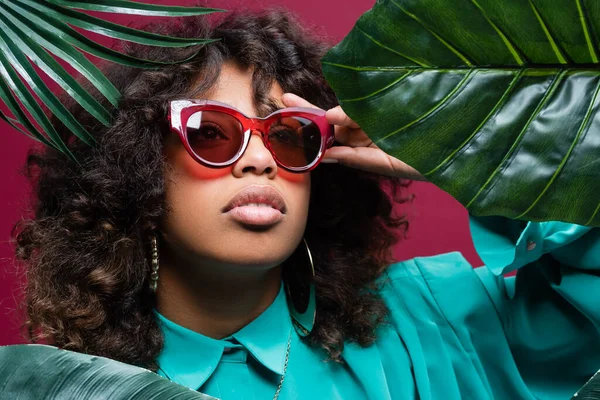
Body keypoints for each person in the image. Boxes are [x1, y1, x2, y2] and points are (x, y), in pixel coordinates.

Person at [11, 8, 599, 400]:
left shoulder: (433, 318)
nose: (262, 159)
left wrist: (475, 163)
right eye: (212, 132)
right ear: (134, 170)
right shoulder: (76, 388)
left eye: (290, 133)